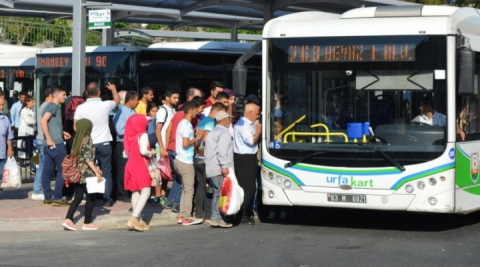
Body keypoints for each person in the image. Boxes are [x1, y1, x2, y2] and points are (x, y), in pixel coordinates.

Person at [74, 82, 119, 207]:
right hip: (104, 143)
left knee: (89, 171)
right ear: (99, 92)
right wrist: (113, 89)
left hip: (88, 143)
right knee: (106, 171)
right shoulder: (105, 105)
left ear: (87, 93)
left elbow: (76, 127)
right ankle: (107, 199)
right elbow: (117, 100)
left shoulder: (81, 108)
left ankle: (91, 197)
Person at [164, 94, 203, 211]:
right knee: (184, 182)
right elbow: (187, 141)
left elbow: (168, 129)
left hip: (172, 147)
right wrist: (197, 140)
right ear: (193, 109)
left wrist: (167, 145)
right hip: (181, 152)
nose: (199, 112)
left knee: (177, 177)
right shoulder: (189, 121)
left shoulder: (177, 115)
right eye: (199, 109)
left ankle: (170, 201)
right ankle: (177, 204)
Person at [62, 119, 102, 231]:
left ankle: (68, 219)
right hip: (86, 174)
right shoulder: (88, 139)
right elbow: (88, 158)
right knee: (91, 198)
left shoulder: (76, 140)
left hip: (77, 173)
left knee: (78, 197)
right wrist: (96, 171)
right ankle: (87, 222)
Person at [193, 102, 227, 224]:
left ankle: (199, 213)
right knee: (210, 188)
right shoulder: (211, 122)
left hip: (197, 157)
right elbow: (205, 139)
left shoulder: (202, 121)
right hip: (205, 159)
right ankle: (208, 215)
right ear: (218, 112)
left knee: (201, 186)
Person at [174, 101, 204, 226]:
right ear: (191, 110)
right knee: (189, 189)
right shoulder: (186, 125)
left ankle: (182, 215)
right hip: (185, 162)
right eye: (196, 110)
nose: (198, 112)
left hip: (179, 160)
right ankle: (186, 217)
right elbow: (185, 143)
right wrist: (198, 137)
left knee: (185, 189)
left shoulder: (182, 123)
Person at [124, 114, 156, 232]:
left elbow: (125, 153)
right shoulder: (143, 135)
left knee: (136, 191)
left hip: (130, 165)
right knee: (146, 191)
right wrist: (151, 152)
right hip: (140, 165)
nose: (147, 124)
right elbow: (143, 151)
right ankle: (134, 218)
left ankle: (139, 219)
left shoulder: (129, 136)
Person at [41, 86, 72, 206]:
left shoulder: (50, 106)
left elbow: (50, 124)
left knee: (47, 170)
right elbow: (43, 121)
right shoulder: (53, 106)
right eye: (64, 94)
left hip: (51, 143)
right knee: (64, 169)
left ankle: (48, 197)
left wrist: (61, 133)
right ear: (56, 95)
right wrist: (49, 138)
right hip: (56, 145)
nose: (65, 97)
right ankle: (58, 197)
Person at [234, 103, 262, 225]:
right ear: (250, 113)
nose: (258, 115)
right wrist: (259, 131)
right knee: (246, 187)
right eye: (257, 112)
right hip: (244, 159)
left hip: (249, 158)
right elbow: (251, 140)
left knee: (251, 187)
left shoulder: (249, 124)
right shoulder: (244, 125)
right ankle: (242, 214)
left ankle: (246, 211)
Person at [205, 111, 234, 228]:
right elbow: (221, 152)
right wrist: (224, 166)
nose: (230, 121)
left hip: (211, 167)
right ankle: (216, 217)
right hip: (218, 168)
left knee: (217, 193)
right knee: (219, 193)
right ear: (224, 119)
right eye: (229, 118)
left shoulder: (212, 132)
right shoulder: (223, 133)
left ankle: (216, 217)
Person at [154, 89, 179, 206]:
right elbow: (158, 129)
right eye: (174, 98)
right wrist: (162, 147)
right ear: (168, 98)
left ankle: (163, 194)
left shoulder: (173, 110)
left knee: (166, 172)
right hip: (162, 146)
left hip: (168, 146)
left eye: (177, 98)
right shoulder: (162, 111)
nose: (177, 100)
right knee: (160, 172)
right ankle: (158, 196)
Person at [113, 91, 139, 202]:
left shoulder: (133, 112)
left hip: (133, 144)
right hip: (123, 144)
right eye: (136, 100)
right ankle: (121, 193)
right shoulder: (121, 113)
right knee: (122, 170)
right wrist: (134, 129)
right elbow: (119, 130)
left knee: (130, 169)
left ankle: (129, 190)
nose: (137, 103)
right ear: (131, 100)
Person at [31, 87, 53, 201]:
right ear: (50, 94)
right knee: (44, 167)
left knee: (42, 165)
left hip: (40, 139)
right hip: (43, 139)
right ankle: (38, 190)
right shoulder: (47, 107)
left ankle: (39, 189)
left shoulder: (42, 106)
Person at [0, 96, 14, 192]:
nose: (1, 107)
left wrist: (10, 148)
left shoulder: (5, 119)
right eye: (0, 105)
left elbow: (9, 136)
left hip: (1, 153)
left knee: (0, 174)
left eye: (3, 105)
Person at [18, 95, 35, 170]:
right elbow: (28, 121)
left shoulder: (32, 111)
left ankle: (32, 166)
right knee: (25, 149)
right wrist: (35, 121)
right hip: (25, 132)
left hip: (31, 132)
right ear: (27, 102)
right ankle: (22, 163)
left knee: (32, 150)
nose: (33, 104)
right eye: (32, 102)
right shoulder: (24, 111)